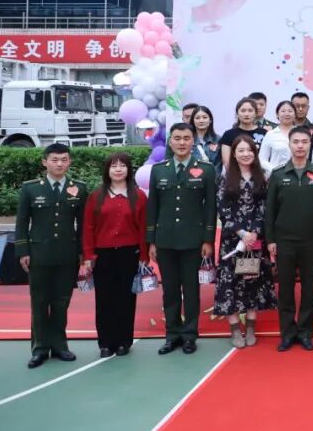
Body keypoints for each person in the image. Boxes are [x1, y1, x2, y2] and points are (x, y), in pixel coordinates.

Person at [147, 123, 217, 355]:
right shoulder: (159, 170)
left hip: (193, 240)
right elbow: (153, 207)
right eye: (177, 138)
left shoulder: (206, 170)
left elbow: (210, 208)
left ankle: (189, 335)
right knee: (169, 290)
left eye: (186, 138)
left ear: (192, 142)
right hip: (165, 239)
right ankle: (172, 334)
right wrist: (152, 241)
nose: (182, 142)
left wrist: (208, 239)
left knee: (191, 289)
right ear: (170, 141)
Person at [16, 143, 87, 368]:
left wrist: (83, 253)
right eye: (54, 160)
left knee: (61, 302)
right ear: (44, 162)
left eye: (64, 159)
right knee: (39, 302)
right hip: (39, 255)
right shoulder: (30, 189)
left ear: (70, 162)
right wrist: (23, 251)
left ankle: (59, 346)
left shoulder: (79, 188)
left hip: (67, 255)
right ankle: (39, 348)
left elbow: (83, 225)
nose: (59, 164)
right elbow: (22, 222)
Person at [266, 127, 313, 352]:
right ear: (290, 145)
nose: (300, 146)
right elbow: (270, 211)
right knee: (285, 290)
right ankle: (287, 333)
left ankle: (305, 332)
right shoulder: (278, 174)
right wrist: (271, 240)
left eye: (304, 141)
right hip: (284, 241)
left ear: (310, 144)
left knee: (309, 289)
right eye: (296, 142)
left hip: (311, 241)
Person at [83, 152, 147, 358]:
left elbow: (144, 228)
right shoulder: (96, 196)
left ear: (129, 169)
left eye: (122, 165)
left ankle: (123, 342)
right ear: (107, 170)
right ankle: (105, 343)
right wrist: (88, 256)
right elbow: (88, 227)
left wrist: (144, 255)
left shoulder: (139, 196)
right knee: (104, 299)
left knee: (126, 299)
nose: (118, 169)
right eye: (113, 166)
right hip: (103, 255)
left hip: (129, 253)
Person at [215, 136, 277, 348]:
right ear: (233, 154)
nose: (245, 154)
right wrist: (241, 233)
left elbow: (264, 207)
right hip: (232, 241)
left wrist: (255, 233)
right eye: (241, 150)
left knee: (253, 281)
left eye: (249, 150)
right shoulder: (225, 178)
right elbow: (222, 209)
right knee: (230, 284)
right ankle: (235, 330)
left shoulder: (263, 177)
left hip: (255, 241)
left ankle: (250, 327)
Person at [220, 97, 268, 169]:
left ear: (255, 113)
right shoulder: (228, 134)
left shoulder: (264, 133)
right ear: (237, 113)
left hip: (260, 172)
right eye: (243, 111)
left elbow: (267, 158)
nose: (246, 114)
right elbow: (227, 162)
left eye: (250, 111)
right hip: (236, 173)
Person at [258, 100, 297, 174]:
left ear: (295, 114)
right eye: (283, 111)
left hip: (297, 175)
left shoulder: (301, 133)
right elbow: (262, 159)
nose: (287, 114)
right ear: (277, 114)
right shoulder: (271, 134)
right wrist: (275, 170)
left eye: (290, 111)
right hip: (275, 176)